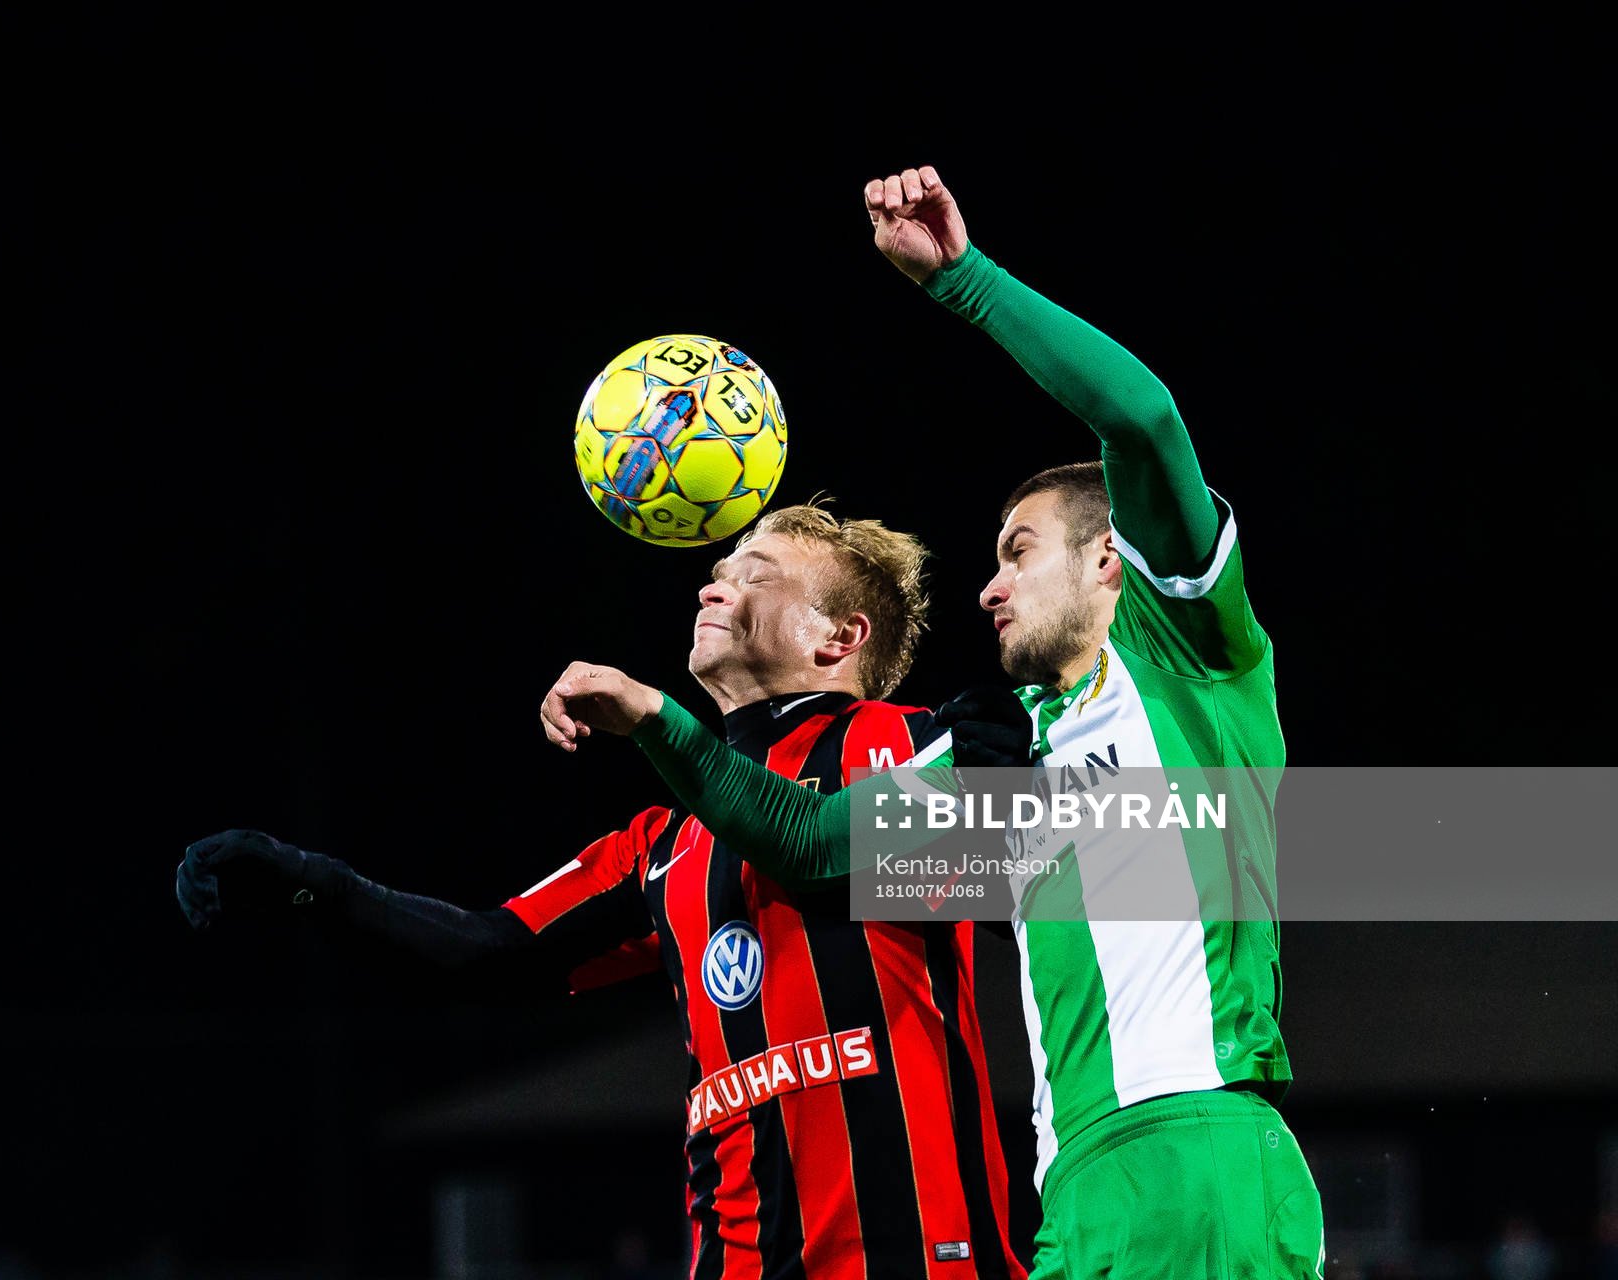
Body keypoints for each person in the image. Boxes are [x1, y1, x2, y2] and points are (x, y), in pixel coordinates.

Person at [539, 166, 1325, 1278]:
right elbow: (813, 847)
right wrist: (657, 720)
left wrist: (965, 282)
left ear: (1113, 558)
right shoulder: (1005, 751)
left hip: (1198, 1150)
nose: (990, 589)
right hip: (1078, 1191)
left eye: (1019, 552)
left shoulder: (1188, 656)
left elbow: (1141, 417)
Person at [178, 504, 1028, 1280]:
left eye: (756, 572)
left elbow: (1075, 884)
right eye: (719, 571)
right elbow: (488, 954)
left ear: (839, 637)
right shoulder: (663, 846)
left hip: (921, 1256)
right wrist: (305, 883)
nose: (714, 582)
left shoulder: (914, 742)